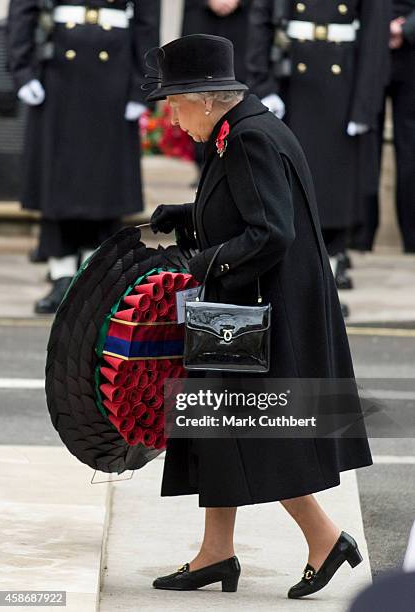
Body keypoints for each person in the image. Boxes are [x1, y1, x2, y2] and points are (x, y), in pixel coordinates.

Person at [146, 34, 372, 598]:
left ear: (204, 98)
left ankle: (326, 539)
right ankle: (215, 553)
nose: (173, 117)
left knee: (258, 434)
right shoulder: (242, 128)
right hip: (256, 306)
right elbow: (248, 208)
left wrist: (201, 266)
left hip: (261, 314)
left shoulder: (246, 138)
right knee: (214, 426)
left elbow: (271, 231)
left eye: (175, 104)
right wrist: (189, 214)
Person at [6, 0, 159, 313]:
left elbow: (147, 19)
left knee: (104, 176)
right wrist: (21, 68)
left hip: (114, 71)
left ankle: (98, 272)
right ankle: (62, 272)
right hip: (59, 68)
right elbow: (23, 9)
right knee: (59, 174)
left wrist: (142, 86)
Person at [245, 0, 390, 297]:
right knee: (291, 173)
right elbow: (261, 18)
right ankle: (294, 255)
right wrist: (263, 84)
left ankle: (334, 254)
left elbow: (375, 35)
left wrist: (365, 103)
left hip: (341, 78)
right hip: (293, 77)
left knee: (334, 173)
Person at [351, 0, 415, 252]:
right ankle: (361, 234)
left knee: (410, 148)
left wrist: (406, 29)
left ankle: (411, 236)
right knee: (365, 140)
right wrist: (377, 30)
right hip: (366, 51)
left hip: (410, 57)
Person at [182, 0, 251, 179]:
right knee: (198, 87)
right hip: (202, 15)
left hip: (244, 19)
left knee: (239, 88)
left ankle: (239, 162)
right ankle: (205, 164)